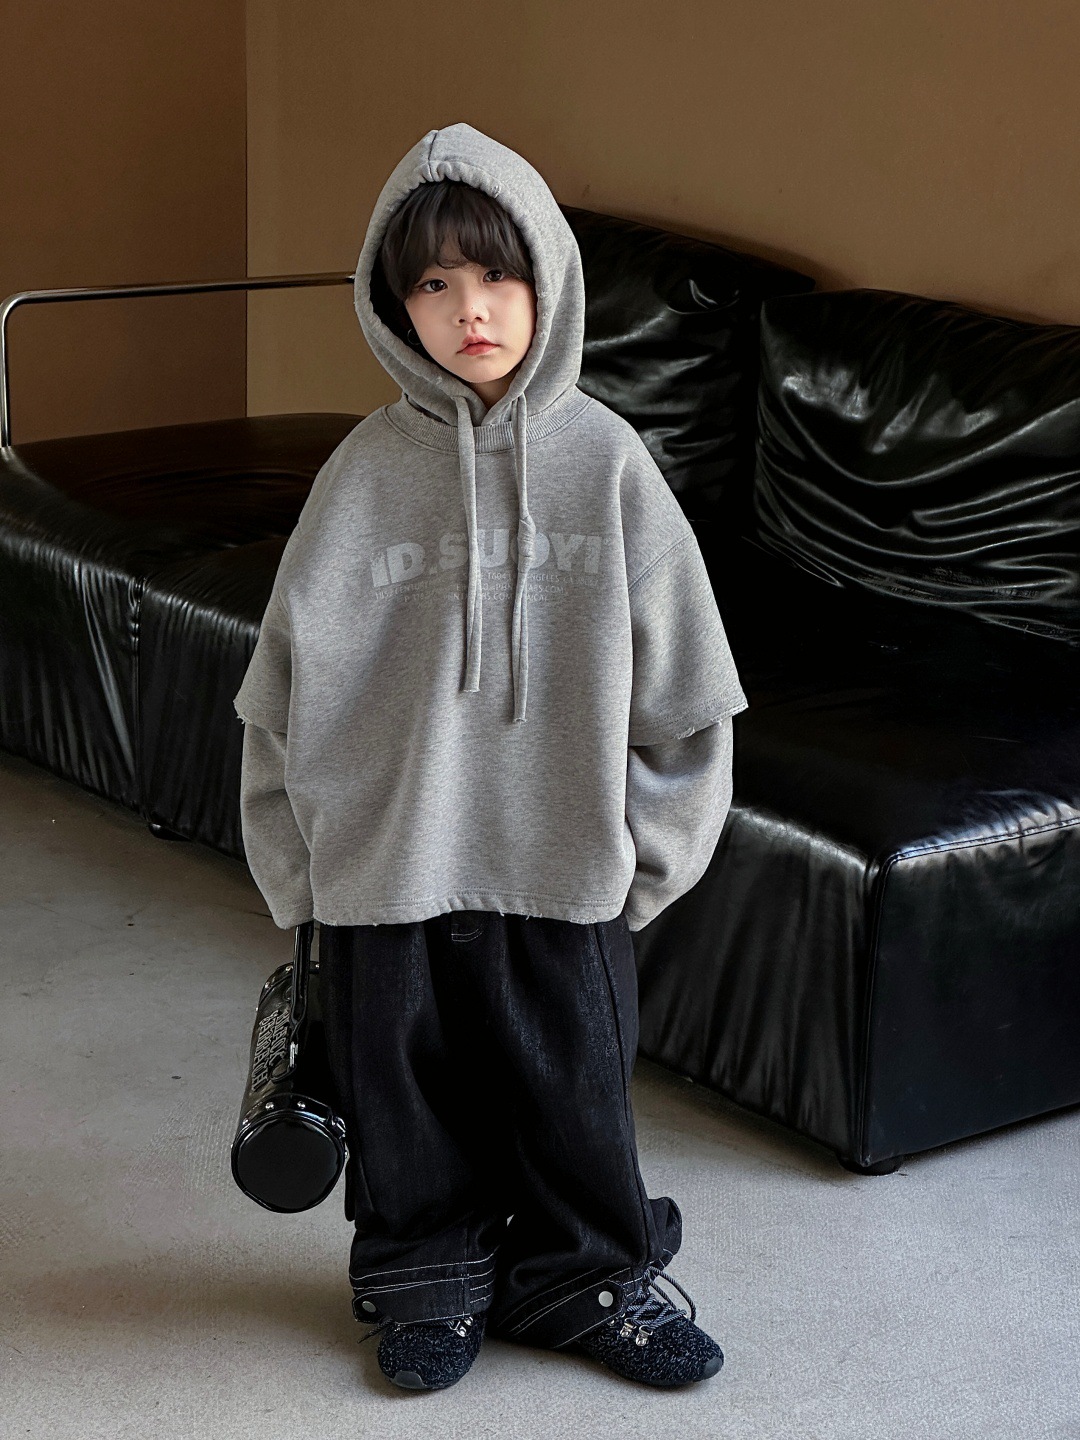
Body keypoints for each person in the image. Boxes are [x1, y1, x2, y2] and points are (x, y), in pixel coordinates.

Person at [233, 122, 748, 1393]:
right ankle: (426, 1279)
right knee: (402, 1107)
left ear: (548, 277)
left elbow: (690, 694)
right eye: (433, 282)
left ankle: (589, 1277)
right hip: (385, 874)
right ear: (393, 303)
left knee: (578, 1095)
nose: (470, 309)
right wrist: (301, 877)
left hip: (565, 865)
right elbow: (279, 695)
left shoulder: (610, 465)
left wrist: (647, 860)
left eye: (497, 274)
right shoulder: (360, 476)